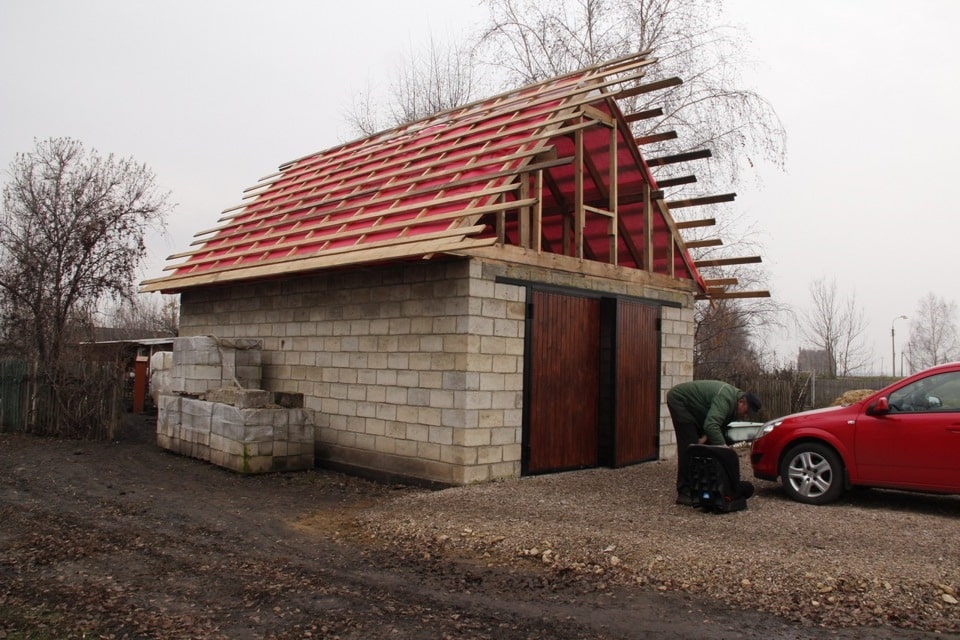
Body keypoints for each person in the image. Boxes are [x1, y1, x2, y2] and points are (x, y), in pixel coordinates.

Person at [666, 380, 761, 505]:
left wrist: (704, 438)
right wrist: (725, 451)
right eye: (747, 412)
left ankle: (703, 486)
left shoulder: (734, 409)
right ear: (741, 401)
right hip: (680, 401)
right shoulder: (726, 398)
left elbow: (716, 425)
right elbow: (711, 425)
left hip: (698, 409)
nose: (746, 416)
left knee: (702, 445)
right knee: (689, 448)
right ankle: (684, 492)